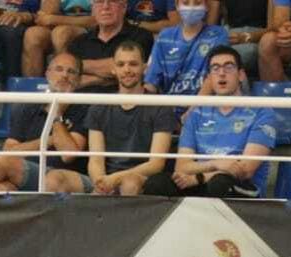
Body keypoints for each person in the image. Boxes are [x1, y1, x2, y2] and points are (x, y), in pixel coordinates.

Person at [143, 44, 274, 198]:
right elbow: (182, 166)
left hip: (240, 186)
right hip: (200, 181)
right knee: (157, 183)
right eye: (215, 68)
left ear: (241, 75)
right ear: (209, 78)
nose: (222, 73)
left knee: (220, 183)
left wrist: (200, 177)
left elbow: (245, 170)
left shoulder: (262, 112)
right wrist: (215, 163)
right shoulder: (197, 113)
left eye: (229, 67)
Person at [50, 38, 176, 194]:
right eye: (121, 64)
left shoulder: (161, 106)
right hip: (105, 179)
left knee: (129, 183)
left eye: (133, 64)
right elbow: (96, 160)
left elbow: (156, 164)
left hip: (141, 178)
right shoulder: (100, 106)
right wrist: (100, 182)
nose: (127, 70)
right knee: (54, 178)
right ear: (113, 69)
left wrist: (115, 179)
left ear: (145, 68)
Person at [0, 49, 84, 192]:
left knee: (6, 165)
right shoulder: (27, 106)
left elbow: (68, 155)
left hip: (65, 177)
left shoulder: (84, 108)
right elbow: (9, 151)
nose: (64, 75)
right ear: (47, 74)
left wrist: (56, 115)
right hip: (26, 173)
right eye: (59, 69)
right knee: (2, 188)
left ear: (79, 80)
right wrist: (49, 140)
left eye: (71, 72)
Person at [60, 0, 154, 93]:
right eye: (100, 2)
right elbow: (68, 75)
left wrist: (82, 69)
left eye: (112, 1)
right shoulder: (79, 41)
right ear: (93, 8)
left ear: (124, 7)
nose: (105, 7)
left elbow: (120, 68)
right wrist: (104, 79)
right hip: (80, 104)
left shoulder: (141, 36)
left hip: (120, 104)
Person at [145, 0, 228, 96]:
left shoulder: (218, 35)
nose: (191, 8)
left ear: (206, 6)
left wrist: (190, 111)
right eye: (185, 3)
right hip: (168, 107)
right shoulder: (164, 37)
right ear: (177, 5)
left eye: (197, 3)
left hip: (204, 107)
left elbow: (214, 78)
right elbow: (151, 82)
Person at [22, 0, 103, 81]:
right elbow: (43, 19)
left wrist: (55, 19)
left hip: (89, 29)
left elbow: (96, 20)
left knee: (61, 33)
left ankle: (62, 82)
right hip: (57, 26)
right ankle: (32, 86)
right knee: (33, 34)